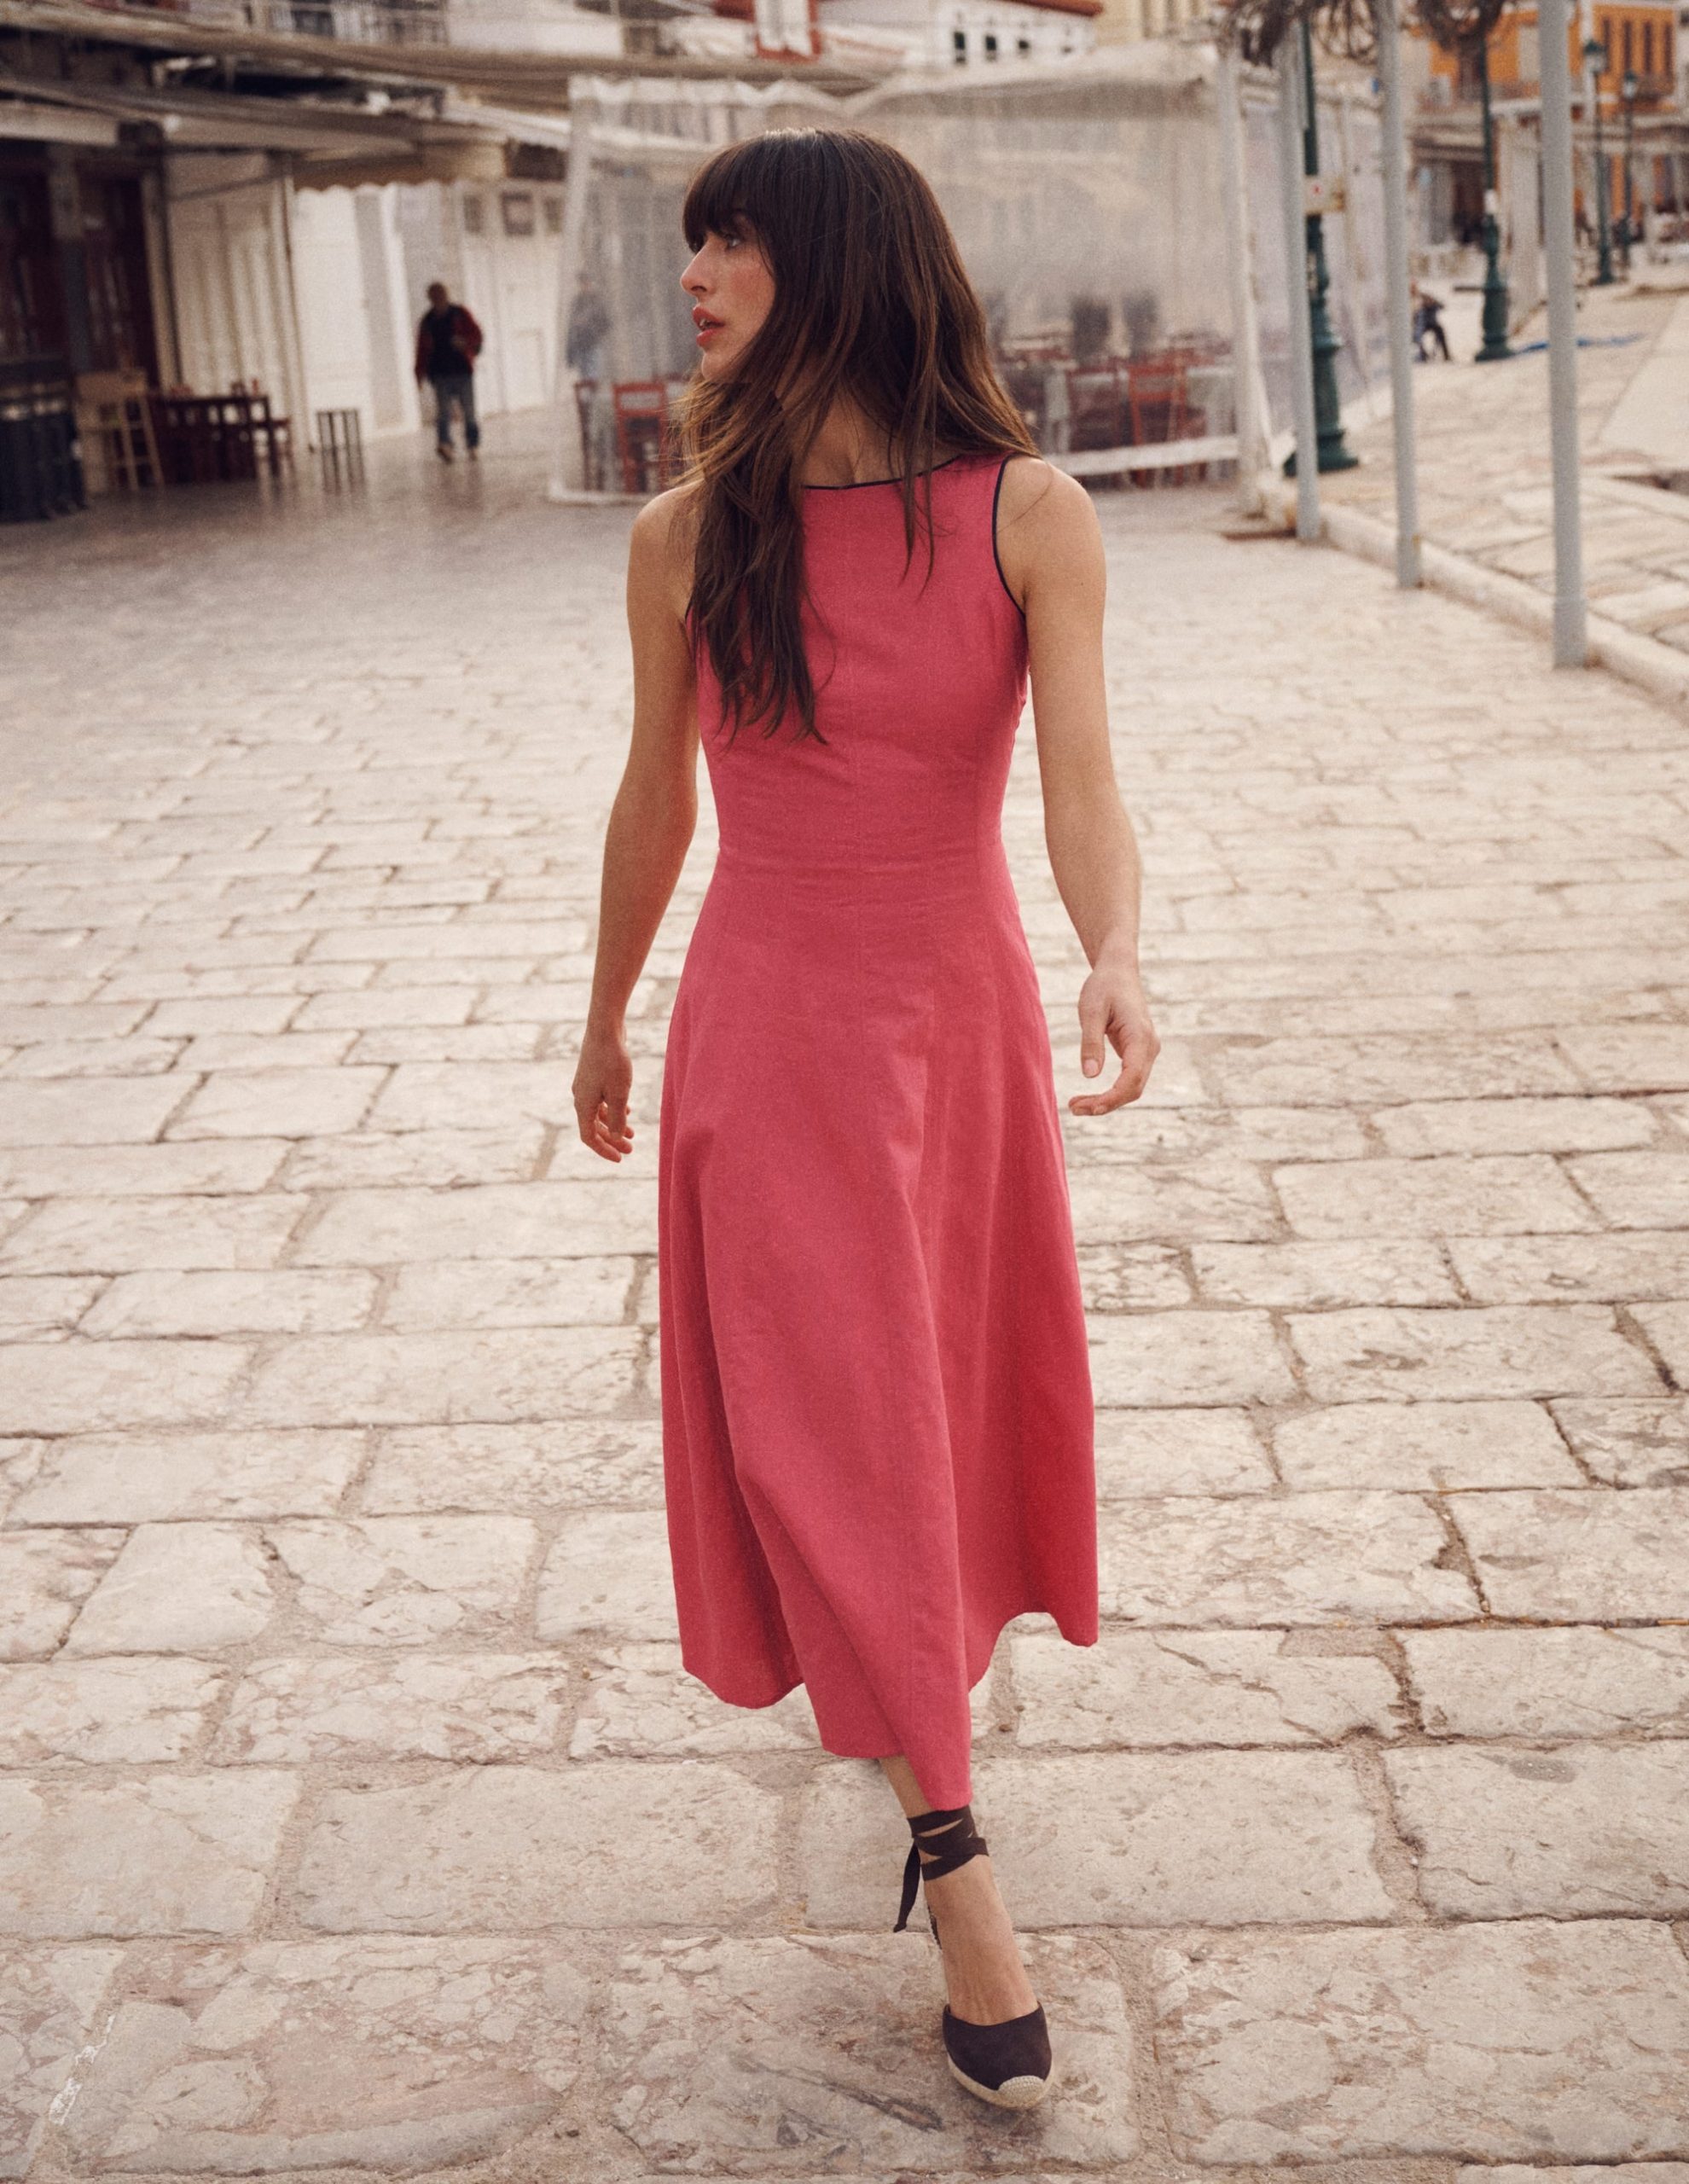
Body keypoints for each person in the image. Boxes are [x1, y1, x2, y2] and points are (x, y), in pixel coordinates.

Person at [572, 129, 1157, 2111]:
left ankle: (913, 1713)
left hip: (960, 1027)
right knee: (830, 1428)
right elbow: (654, 800)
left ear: (832, 264)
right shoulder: (683, 537)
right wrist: (603, 1015)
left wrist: (1114, 951)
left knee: (936, 1410)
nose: (695, 276)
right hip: (768, 1035)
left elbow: (1079, 780)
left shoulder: (1030, 515)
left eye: (729, 240)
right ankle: (957, 1866)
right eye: (692, 244)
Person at [414, 281, 483, 461]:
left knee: (469, 411)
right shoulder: (428, 321)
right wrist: (419, 373)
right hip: (440, 372)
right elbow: (422, 349)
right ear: (429, 298)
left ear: (446, 295)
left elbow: (476, 334)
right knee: (443, 412)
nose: (438, 298)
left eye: (440, 294)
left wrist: (465, 343)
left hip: (462, 370)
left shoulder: (460, 313)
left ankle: (472, 445)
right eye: (434, 296)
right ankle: (445, 444)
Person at [1413, 283, 1450, 362]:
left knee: (1440, 331)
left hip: (1432, 323)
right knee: (1417, 334)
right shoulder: (1411, 300)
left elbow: (1442, 306)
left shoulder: (1424, 296)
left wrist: (1432, 303)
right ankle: (1423, 355)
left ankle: (1446, 355)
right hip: (1419, 324)